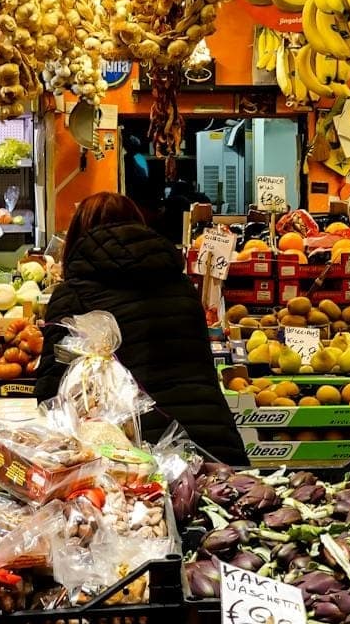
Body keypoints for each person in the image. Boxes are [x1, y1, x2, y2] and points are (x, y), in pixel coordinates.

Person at [34, 192, 248, 464]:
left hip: (131, 455)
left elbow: (51, 397)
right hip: (211, 444)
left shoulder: (71, 296)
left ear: (76, 235)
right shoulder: (182, 287)